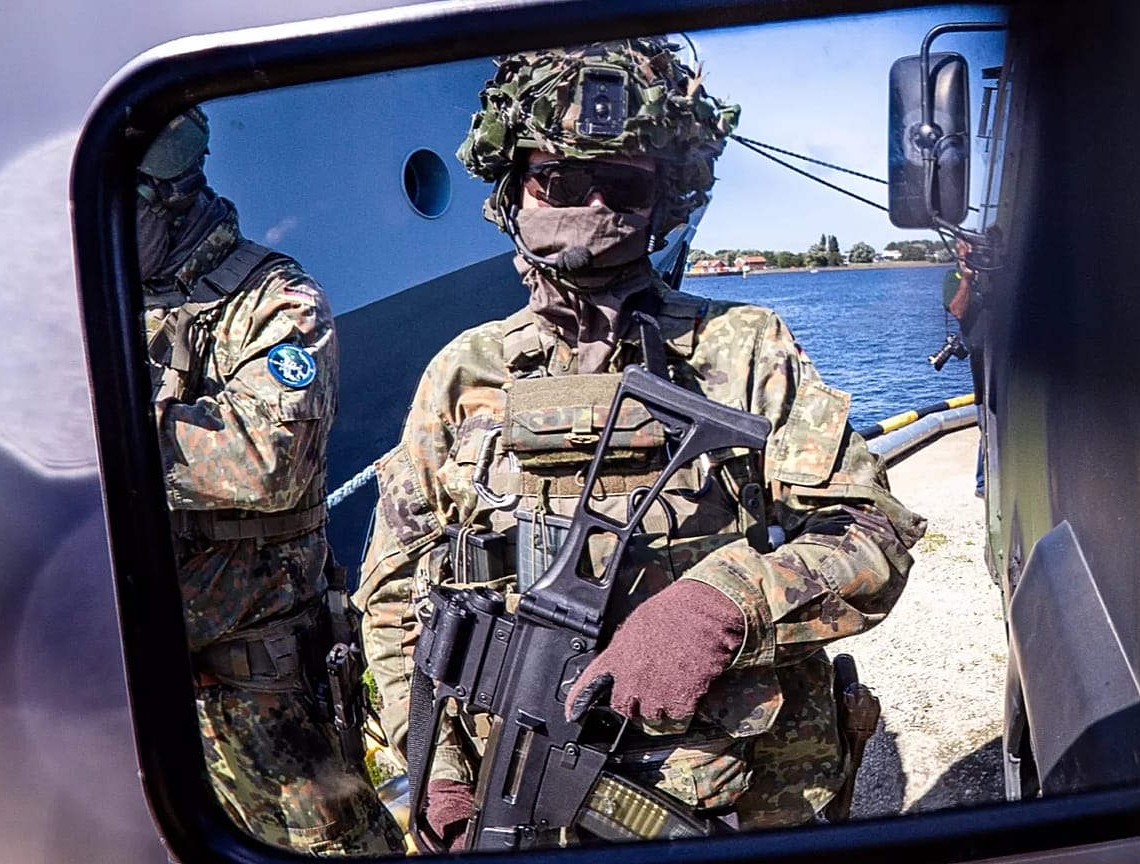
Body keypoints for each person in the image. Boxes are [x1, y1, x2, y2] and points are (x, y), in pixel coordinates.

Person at [354, 37, 926, 850]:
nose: (588, 208)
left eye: (620, 184)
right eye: (558, 180)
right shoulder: (462, 374)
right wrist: (435, 766)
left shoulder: (743, 347)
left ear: (664, 200)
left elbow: (874, 536)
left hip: (734, 794)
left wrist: (722, 604)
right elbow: (395, 598)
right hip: (516, 796)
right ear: (514, 187)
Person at [137, 108, 405, 856]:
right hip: (146, 674)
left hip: (265, 693)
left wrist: (105, 427)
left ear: (172, 196)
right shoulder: (115, 293)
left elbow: (266, 464)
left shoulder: (274, 302)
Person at [946, 235, 987, 497]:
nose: (971, 254)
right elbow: (958, 311)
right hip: (982, 360)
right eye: (965, 251)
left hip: (1010, 358)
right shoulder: (953, 279)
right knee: (986, 421)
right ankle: (983, 483)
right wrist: (968, 279)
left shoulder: (998, 276)